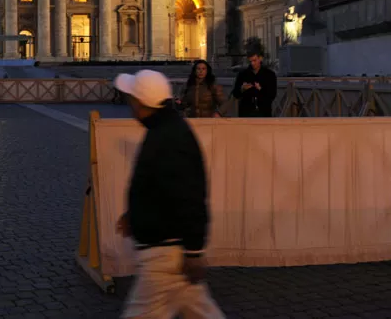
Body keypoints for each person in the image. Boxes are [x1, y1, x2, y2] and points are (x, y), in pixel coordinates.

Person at [113, 70, 224, 319]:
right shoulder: (164, 129)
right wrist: (135, 214)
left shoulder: (169, 136)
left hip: (164, 254)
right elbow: (159, 186)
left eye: (132, 98)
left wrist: (194, 251)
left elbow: (190, 195)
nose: (129, 104)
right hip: (170, 251)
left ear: (142, 102)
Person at [231, 47, 277, 117]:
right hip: (246, 113)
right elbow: (235, 93)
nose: (252, 63)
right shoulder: (243, 74)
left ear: (260, 58)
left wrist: (260, 89)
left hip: (264, 113)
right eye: (250, 61)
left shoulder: (269, 75)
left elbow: (272, 95)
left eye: (254, 60)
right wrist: (242, 88)